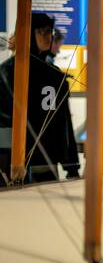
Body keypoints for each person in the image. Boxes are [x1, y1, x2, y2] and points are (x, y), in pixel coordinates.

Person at [0, 13, 80, 184]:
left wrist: (71, 165)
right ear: (28, 34)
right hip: (12, 160)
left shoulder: (55, 74)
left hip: (46, 160)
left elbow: (63, 121)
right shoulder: (7, 72)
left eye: (49, 32)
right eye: (41, 32)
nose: (48, 36)